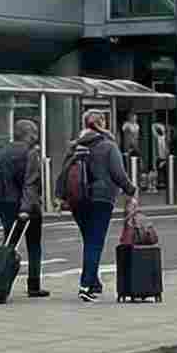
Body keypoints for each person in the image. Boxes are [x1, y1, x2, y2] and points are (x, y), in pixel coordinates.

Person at [60, 108, 136, 302]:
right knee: (95, 242)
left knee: (90, 240)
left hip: (77, 200)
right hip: (101, 199)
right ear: (102, 123)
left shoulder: (75, 146)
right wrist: (131, 190)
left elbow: (64, 173)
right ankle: (85, 286)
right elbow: (118, 174)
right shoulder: (108, 146)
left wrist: (61, 197)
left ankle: (94, 282)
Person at [0, 119, 50, 299]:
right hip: (26, 206)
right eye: (35, 133)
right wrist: (25, 209)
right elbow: (30, 184)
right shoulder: (30, 153)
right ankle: (33, 285)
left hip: (4, 203)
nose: (37, 136)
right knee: (34, 246)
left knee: (8, 244)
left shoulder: (3, 151)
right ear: (29, 134)